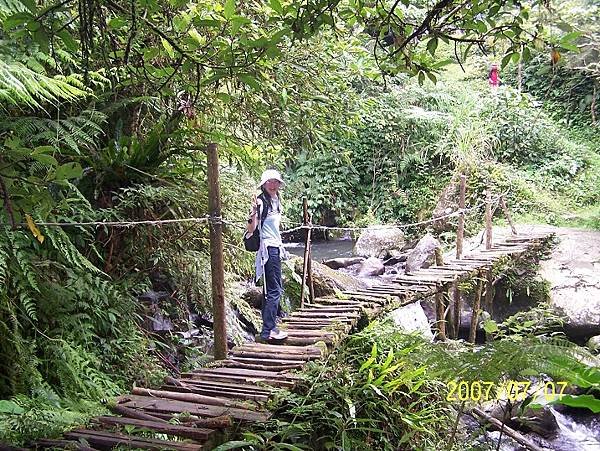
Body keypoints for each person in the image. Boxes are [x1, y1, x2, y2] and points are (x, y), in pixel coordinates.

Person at [245, 169, 288, 342]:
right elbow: (251, 229)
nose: (272, 185)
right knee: (274, 290)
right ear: (264, 184)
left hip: (275, 247)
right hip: (268, 249)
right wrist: (253, 212)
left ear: (279, 185)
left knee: (271, 290)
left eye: (275, 182)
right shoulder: (261, 202)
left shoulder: (276, 201)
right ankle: (268, 331)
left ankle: (269, 329)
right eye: (269, 182)